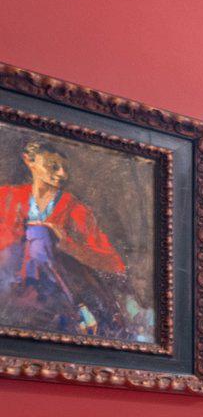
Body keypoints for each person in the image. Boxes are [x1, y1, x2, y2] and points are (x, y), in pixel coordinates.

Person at [0, 139, 137, 339]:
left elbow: (113, 262)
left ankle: (77, 310)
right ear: (30, 161)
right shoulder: (6, 197)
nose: (62, 174)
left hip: (59, 290)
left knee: (40, 237)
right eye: (53, 166)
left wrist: (65, 243)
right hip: (11, 284)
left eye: (64, 168)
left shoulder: (75, 209)